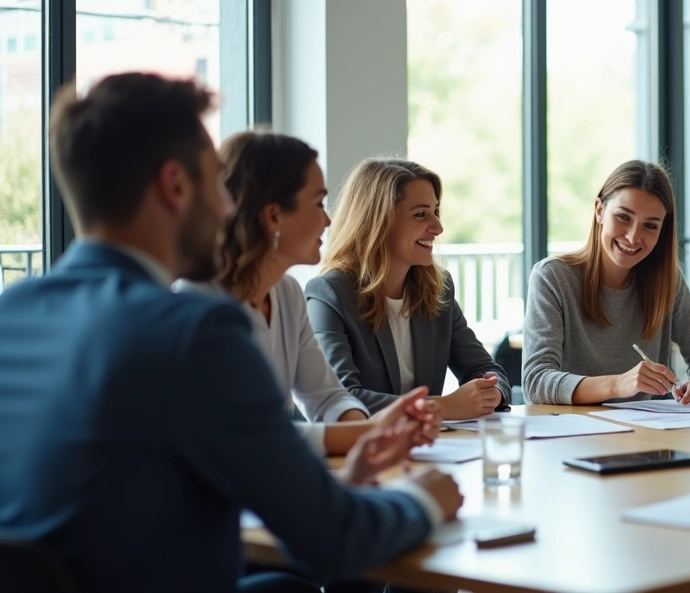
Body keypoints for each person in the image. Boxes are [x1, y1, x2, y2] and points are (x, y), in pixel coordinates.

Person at [0, 73, 462, 592]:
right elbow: (337, 541)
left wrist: (339, 488)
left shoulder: (11, 313)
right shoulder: (193, 333)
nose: (226, 208)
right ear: (175, 186)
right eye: (215, 184)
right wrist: (427, 497)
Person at [176, 130, 436, 456]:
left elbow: (326, 395)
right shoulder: (197, 301)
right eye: (318, 204)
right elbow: (244, 432)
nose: (328, 220)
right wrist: (372, 433)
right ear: (273, 216)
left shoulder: (286, 293)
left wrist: (367, 434)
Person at [305, 158, 510, 419]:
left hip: (428, 448)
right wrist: (442, 407)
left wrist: (492, 390)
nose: (438, 227)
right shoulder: (329, 294)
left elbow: (485, 368)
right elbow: (341, 398)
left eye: (436, 211)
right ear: (378, 221)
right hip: (356, 452)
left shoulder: (439, 289)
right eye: (420, 214)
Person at [523, 160, 690, 405]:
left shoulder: (667, 281)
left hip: (647, 437)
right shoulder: (552, 277)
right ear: (599, 210)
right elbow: (535, 381)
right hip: (573, 438)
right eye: (623, 217)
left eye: (650, 226)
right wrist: (619, 384)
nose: (633, 236)